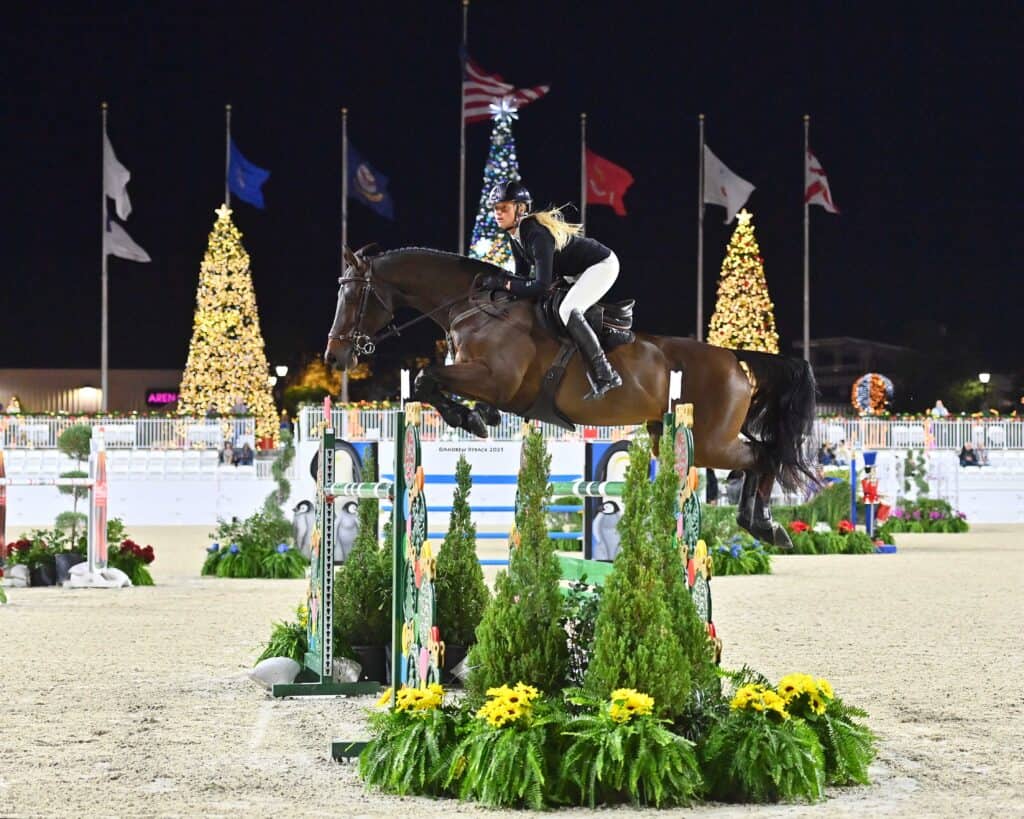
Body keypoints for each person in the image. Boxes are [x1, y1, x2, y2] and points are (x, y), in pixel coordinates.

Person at [481, 181, 622, 400]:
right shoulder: (515, 235)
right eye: (495, 209)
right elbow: (522, 276)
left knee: (567, 310)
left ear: (520, 208)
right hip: (575, 272)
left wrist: (504, 284)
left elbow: (540, 285)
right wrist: (504, 286)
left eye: (504, 208)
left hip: (601, 265)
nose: (498, 214)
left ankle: (605, 373)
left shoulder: (535, 233)